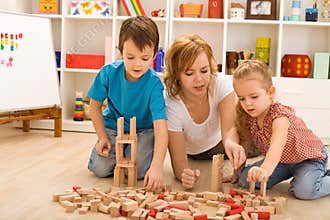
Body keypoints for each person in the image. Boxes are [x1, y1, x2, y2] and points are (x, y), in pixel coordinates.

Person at [225, 59, 330, 200]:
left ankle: (317, 174)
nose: (247, 103)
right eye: (242, 98)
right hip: (283, 161)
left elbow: (277, 146)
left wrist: (265, 170)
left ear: (270, 92)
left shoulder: (280, 116)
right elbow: (241, 140)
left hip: (308, 158)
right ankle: (305, 175)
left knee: (304, 191)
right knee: (245, 179)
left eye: (254, 96)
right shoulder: (248, 116)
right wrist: (236, 173)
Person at [87, 16, 168, 191]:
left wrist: (156, 167)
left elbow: (161, 127)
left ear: (154, 55)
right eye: (130, 57)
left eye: (145, 58)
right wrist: (102, 137)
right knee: (100, 169)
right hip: (113, 126)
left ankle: (126, 154)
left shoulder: (154, 84)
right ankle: (118, 153)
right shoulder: (108, 73)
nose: (137, 64)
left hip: (144, 130)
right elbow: (94, 106)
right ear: (121, 52)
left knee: (139, 171)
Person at [163, 34, 237, 189]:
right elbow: (179, 164)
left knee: (258, 136)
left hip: (221, 144)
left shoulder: (221, 84)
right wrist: (184, 174)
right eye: (189, 73)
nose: (199, 79)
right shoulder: (171, 104)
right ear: (177, 75)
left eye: (204, 71)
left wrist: (232, 145)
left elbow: (229, 132)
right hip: (193, 153)